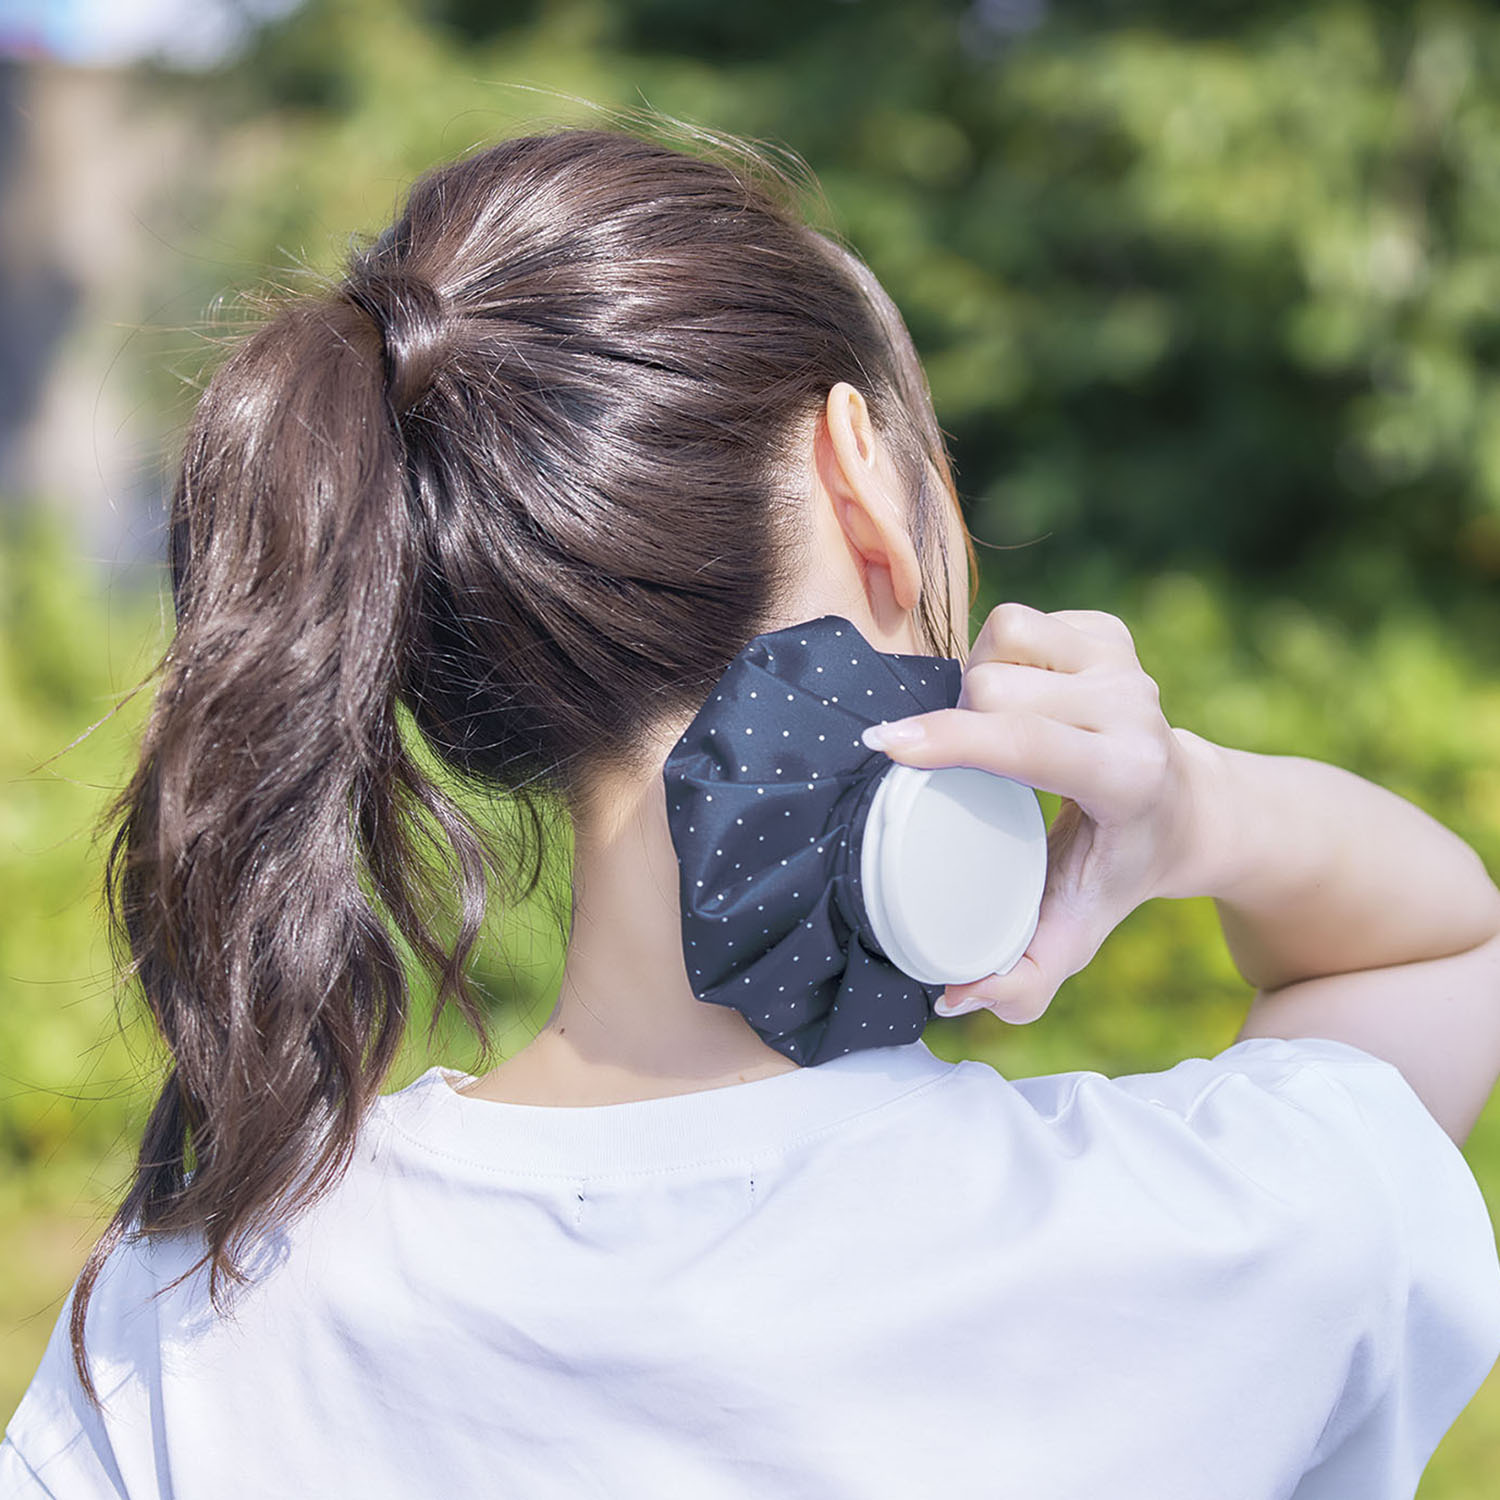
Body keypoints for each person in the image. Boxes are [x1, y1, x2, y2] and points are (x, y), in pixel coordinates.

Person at [3, 122, 1499, 1500]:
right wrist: (1191, 808)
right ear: (863, 481)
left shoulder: (172, 1335)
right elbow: (1438, 954)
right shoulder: (1209, 1240)